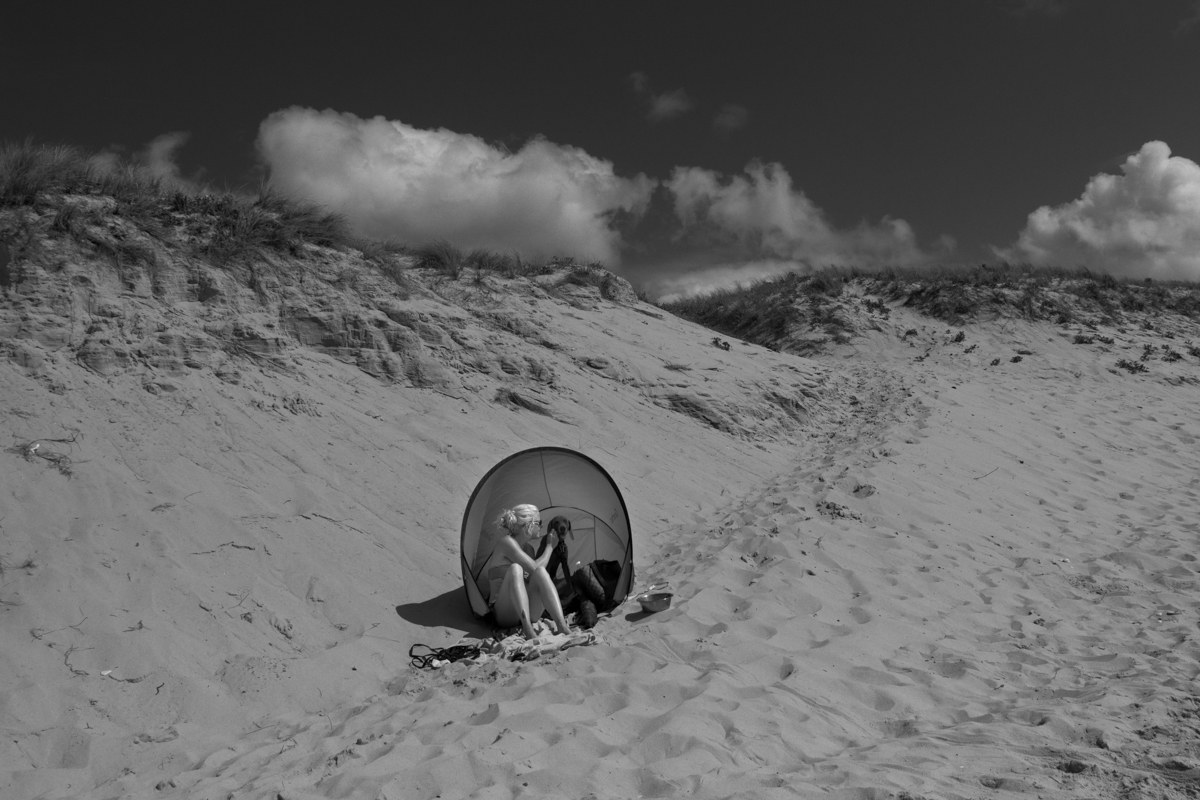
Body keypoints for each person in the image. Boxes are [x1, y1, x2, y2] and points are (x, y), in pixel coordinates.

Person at [487, 504, 571, 638]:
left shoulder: (529, 550)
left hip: (527, 610)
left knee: (542, 573)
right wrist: (549, 547)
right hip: (503, 614)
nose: (541, 527)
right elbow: (533, 567)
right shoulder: (506, 543)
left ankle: (562, 626)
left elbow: (537, 571)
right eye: (539, 523)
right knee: (516, 569)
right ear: (529, 525)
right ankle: (528, 630)